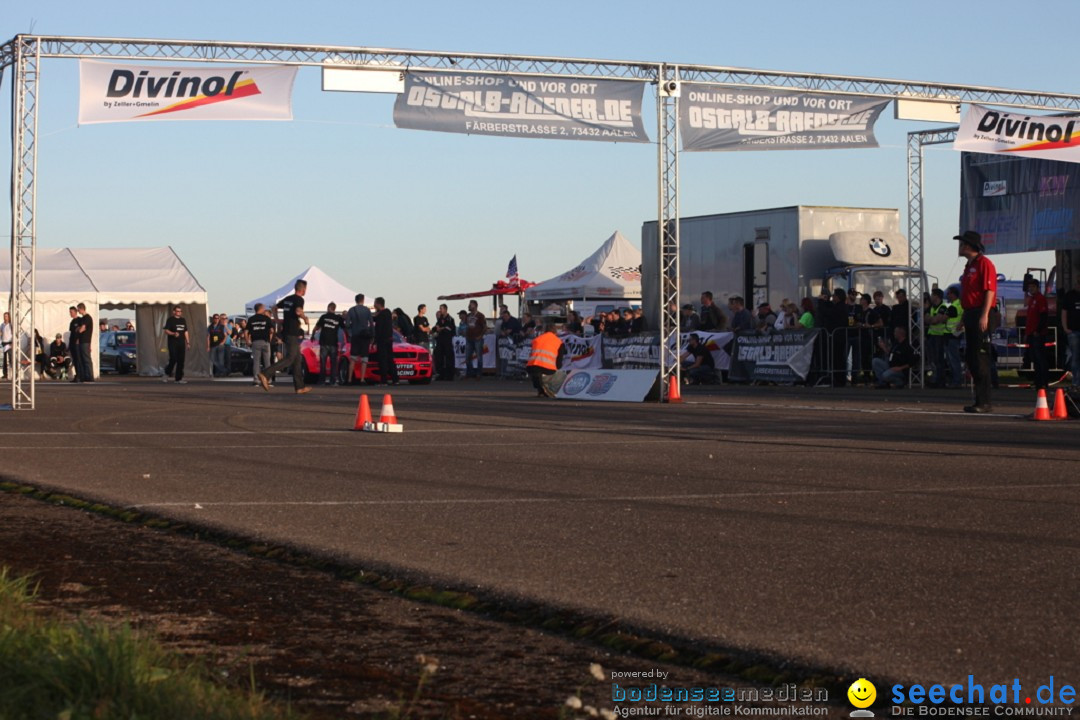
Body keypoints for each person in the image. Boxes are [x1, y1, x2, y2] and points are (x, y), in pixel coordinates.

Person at [956, 230, 997, 413]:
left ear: (970, 246)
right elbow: (968, 295)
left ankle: (985, 402)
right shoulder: (968, 266)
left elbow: (989, 290)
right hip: (971, 313)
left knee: (981, 358)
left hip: (982, 312)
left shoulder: (984, 263)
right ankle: (978, 400)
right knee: (971, 358)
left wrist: (984, 314)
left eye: (963, 244)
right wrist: (964, 318)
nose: (960, 247)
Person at [258, 279, 310, 394]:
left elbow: (273, 308)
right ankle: (265, 374)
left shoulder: (288, 299)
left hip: (288, 331)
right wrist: (304, 318)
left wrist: (277, 320)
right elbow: (298, 311)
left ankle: (299, 387)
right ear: (303, 290)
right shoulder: (299, 299)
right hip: (292, 332)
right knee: (290, 358)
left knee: (297, 359)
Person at [1023, 278, 1050, 393]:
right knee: (1034, 358)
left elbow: (1043, 315)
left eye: (1033, 287)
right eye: (1030, 287)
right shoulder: (1032, 300)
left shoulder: (1040, 299)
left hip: (1037, 334)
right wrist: (1027, 333)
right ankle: (1038, 380)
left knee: (1040, 358)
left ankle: (1043, 382)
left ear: (1037, 288)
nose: (1031, 289)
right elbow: (1030, 318)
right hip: (1031, 333)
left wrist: (1037, 330)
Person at [526, 324, 565, 397]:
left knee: (537, 374)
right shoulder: (558, 342)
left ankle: (540, 389)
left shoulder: (537, 339)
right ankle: (549, 388)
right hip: (547, 368)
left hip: (531, 367)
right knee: (562, 375)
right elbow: (559, 362)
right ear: (555, 331)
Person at [343, 294, 373, 385]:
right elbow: (371, 324)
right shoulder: (367, 310)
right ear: (363, 300)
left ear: (355, 300)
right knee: (364, 359)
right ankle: (362, 379)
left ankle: (349, 379)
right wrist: (372, 336)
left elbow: (347, 324)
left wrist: (351, 333)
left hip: (355, 337)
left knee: (353, 359)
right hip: (365, 338)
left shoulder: (351, 310)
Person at [313, 302, 343, 386]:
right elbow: (344, 328)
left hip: (324, 342)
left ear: (329, 308)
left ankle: (322, 381)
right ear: (334, 308)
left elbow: (317, 327)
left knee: (323, 362)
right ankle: (332, 381)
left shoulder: (324, 317)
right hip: (333, 343)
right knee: (334, 363)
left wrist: (312, 335)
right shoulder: (338, 318)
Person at [925, 288, 949, 388]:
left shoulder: (943, 307)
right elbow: (926, 319)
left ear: (936, 296)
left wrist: (931, 319)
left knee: (939, 360)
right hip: (932, 335)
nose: (931, 296)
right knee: (932, 360)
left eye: (932, 294)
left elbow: (935, 320)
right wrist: (932, 319)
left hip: (939, 336)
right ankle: (933, 379)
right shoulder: (932, 308)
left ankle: (940, 381)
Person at [372, 297, 399, 385]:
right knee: (390, 360)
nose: (374, 305)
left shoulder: (381, 315)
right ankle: (395, 379)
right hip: (389, 340)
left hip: (382, 340)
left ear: (378, 304)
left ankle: (384, 380)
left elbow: (378, 329)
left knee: (382, 360)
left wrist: (375, 341)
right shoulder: (387, 313)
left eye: (375, 303)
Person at [245, 303, 274, 385]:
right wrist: (269, 339)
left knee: (256, 361)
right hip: (265, 341)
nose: (264, 309)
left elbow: (246, 331)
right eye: (264, 308)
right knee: (267, 362)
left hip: (255, 342)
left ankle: (256, 380)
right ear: (261, 309)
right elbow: (272, 330)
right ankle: (268, 380)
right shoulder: (266, 318)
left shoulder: (251, 319)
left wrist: (247, 341)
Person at [942, 286, 964, 389]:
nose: (947, 295)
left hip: (951, 335)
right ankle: (955, 380)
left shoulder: (953, 307)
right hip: (955, 334)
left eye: (949, 294)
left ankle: (956, 381)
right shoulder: (959, 305)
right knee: (953, 359)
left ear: (953, 294)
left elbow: (943, 318)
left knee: (953, 360)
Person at [162, 305, 190, 384]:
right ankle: (167, 373)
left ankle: (178, 378)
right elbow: (166, 330)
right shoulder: (170, 320)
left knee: (181, 361)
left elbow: (186, 331)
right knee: (173, 359)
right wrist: (173, 333)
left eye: (180, 311)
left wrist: (188, 342)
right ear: (174, 312)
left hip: (181, 343)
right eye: (177, 311)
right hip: (173, 343)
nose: (179, 313)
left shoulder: (183, 320)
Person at [1061, 277, 1080, 388]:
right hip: (1073, 332)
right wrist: (1065, 328)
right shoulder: (1070, 296)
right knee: (1075, 357)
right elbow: (1064, 312)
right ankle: (1076, 383)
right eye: (1078, 283)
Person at [433, 303, 456, 381]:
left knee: (449, 358)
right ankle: (441, 374)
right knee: (439, 358)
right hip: (440, 341)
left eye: (441, 309)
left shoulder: (450, 319)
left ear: (445, 309)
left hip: (447, 341)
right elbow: (436, 327)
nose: (440, 310)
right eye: (440, 309)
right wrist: (436, 328)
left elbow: (450, 329)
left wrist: (441, 328)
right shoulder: (440, 319)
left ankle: (450, 375)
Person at [464, 300, 486, 379]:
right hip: (469, 338)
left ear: (475, 306)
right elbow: (466, 325)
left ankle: (479, 374)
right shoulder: (468, 315)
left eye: (471, 305)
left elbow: (484, 327)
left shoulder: (480, 315)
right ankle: (470, 373)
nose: (469, 306)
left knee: (479, 357)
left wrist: (480, 336)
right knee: (467, 357)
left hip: (477, 339)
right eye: (469, 305)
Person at [75, 302, 94, 382]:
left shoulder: (87, 318)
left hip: (85, 341)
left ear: (81, 309)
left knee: (86, 359)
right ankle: (85, 376)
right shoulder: (83, 318)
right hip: (82, 341)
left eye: (78, 309)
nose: (78, 311)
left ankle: (90, 376)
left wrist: (79, 329)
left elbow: (82, 329)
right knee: (82, 359)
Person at [67, 306, 82, 382]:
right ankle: (77, 375)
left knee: (78, 360)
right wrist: (69, 345)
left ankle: (80, 375)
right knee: (75, 360)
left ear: (75, 312)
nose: (70, 314)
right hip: (72, 343)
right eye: (70, 312)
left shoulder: (79, 320)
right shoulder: (72, 322)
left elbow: (82, 332)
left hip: (77, 343)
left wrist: (79, 340)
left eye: (71, 312)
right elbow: (71, 333)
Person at [0, 311, 11, 379]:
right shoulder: (2, 324)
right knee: (3, 359)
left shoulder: (11, 325)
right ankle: (5, 374)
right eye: (4, 316)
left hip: (9, 342)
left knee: (11, 358)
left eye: (6, 316)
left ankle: (15, 373)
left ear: (9, 317)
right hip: (3, 342)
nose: (5, 317)